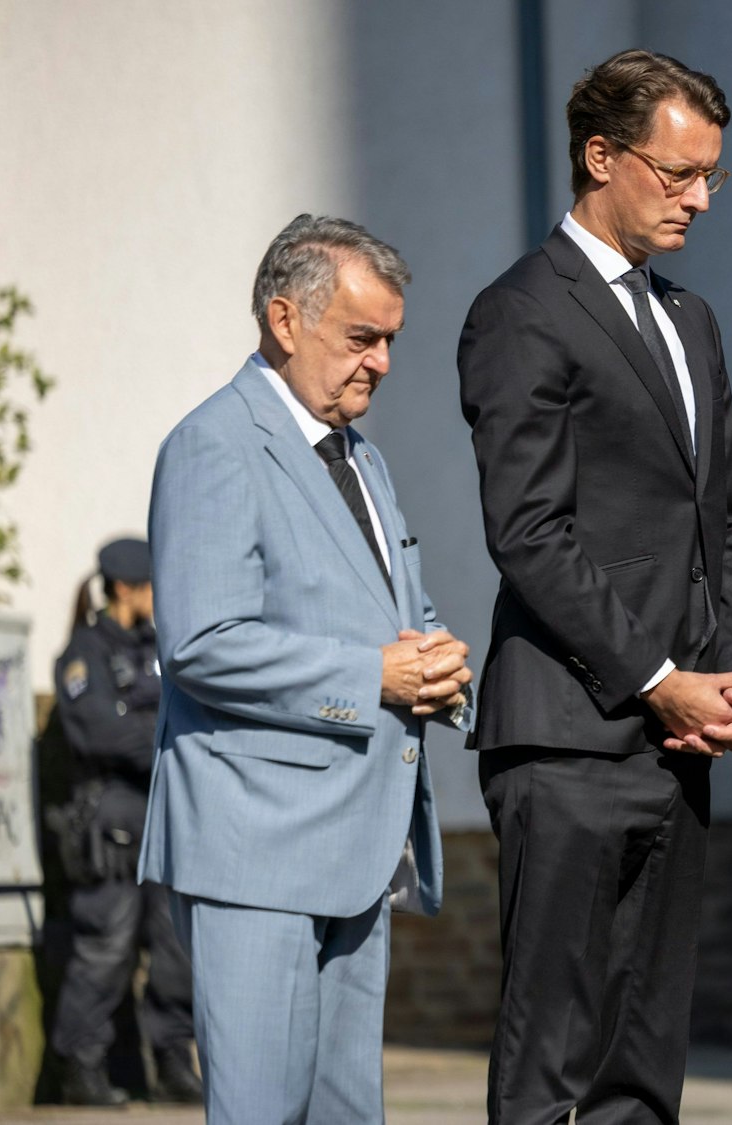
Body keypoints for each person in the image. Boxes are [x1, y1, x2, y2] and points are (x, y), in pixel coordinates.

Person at [457, 48, 732, 1124]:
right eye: (677, 173)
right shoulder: (522, 312)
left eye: (709, 177)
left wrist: (729, 678)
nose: (696, 199)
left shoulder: (693, 321)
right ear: (600, 156)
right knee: (554, 1053)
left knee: (643, 1064)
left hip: (680, 742)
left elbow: (729, 518)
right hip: (569, 736)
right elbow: (529, 533)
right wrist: (654, 676)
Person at [137, 214, 473, 1121]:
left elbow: (396, 609)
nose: (384, 362)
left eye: (392, 340)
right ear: (285, 321)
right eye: (362, 337)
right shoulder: (215, 442)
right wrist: (375, 677)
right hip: (256, 851)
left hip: (358, 846)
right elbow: (203, 641)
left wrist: (441, 666)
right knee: (259, 1111)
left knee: (345, 1114)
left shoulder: (360, 455)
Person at [47, 538, 203, 1107]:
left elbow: (188, 712)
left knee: (177, 948)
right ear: (124, 588)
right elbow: (99, 732)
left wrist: (144, 722)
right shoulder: (84, 652)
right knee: (106, 950)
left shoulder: (160, 647)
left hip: (167, 816)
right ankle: (80, 1068)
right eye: (152, 587)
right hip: (111, 826)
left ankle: (173, 1065)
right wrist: (157, 731)